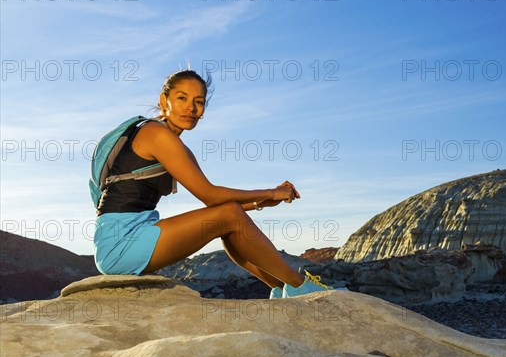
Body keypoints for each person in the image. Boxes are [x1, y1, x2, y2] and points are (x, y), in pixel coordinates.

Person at [93, 69, 332, 298]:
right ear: (164, 100)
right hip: (121, 243)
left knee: (228, 218)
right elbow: (210, 196)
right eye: (182, 98)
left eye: (199, 101)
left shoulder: (175, 145)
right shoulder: (156, 134)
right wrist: (272, 191)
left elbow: (218, 208)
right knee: (229, 215)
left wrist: (262, 202)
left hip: (134, 233)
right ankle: (299, 286)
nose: (191, 108)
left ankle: (281, 288)